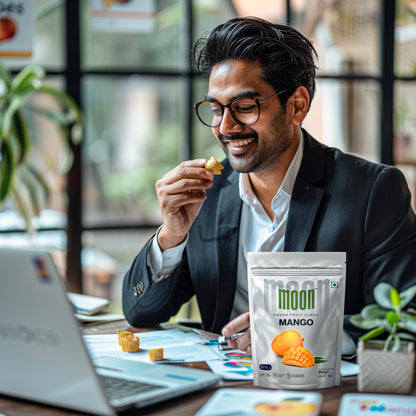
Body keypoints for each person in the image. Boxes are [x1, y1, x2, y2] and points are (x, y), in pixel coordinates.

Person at [122, 17, 416, 354]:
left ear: (297, 105)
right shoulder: (207, 193)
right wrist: (171, 235)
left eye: (244, 107)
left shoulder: (372, 191)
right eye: (216, 109)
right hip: (218, 389)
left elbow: (405, 319)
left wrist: (290, 332)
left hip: (318, 388)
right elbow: (140, 312)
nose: (226, 127)